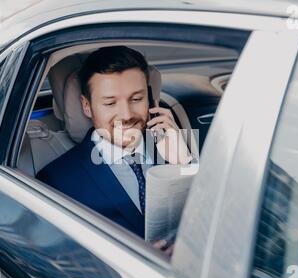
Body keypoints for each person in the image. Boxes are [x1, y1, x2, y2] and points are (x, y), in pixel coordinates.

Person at [37, 46, 192, 251]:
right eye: (110, 103)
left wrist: (185, 165)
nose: (126, 115)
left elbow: (216, 225)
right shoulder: (56, 181)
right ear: (86, 106)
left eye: (137, 99)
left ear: (151, 98)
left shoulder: (175, 148)